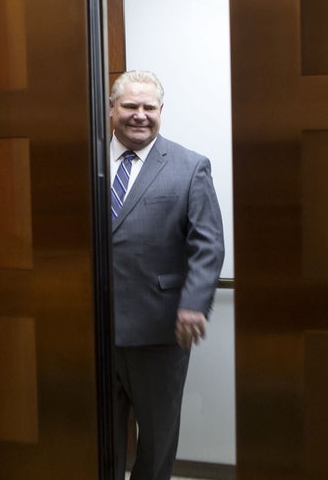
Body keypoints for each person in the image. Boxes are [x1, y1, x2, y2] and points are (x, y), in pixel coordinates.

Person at [109, 70, 225, 480]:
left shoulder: (189, 166)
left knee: (156, 443)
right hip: (94, 332)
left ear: (161, 112)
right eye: (129, 106)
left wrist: (194, 304)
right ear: (112, 109)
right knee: (96, 440)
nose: (139, 115)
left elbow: (208, 244)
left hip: (159, 332)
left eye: (149, 107)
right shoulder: (85, 162)